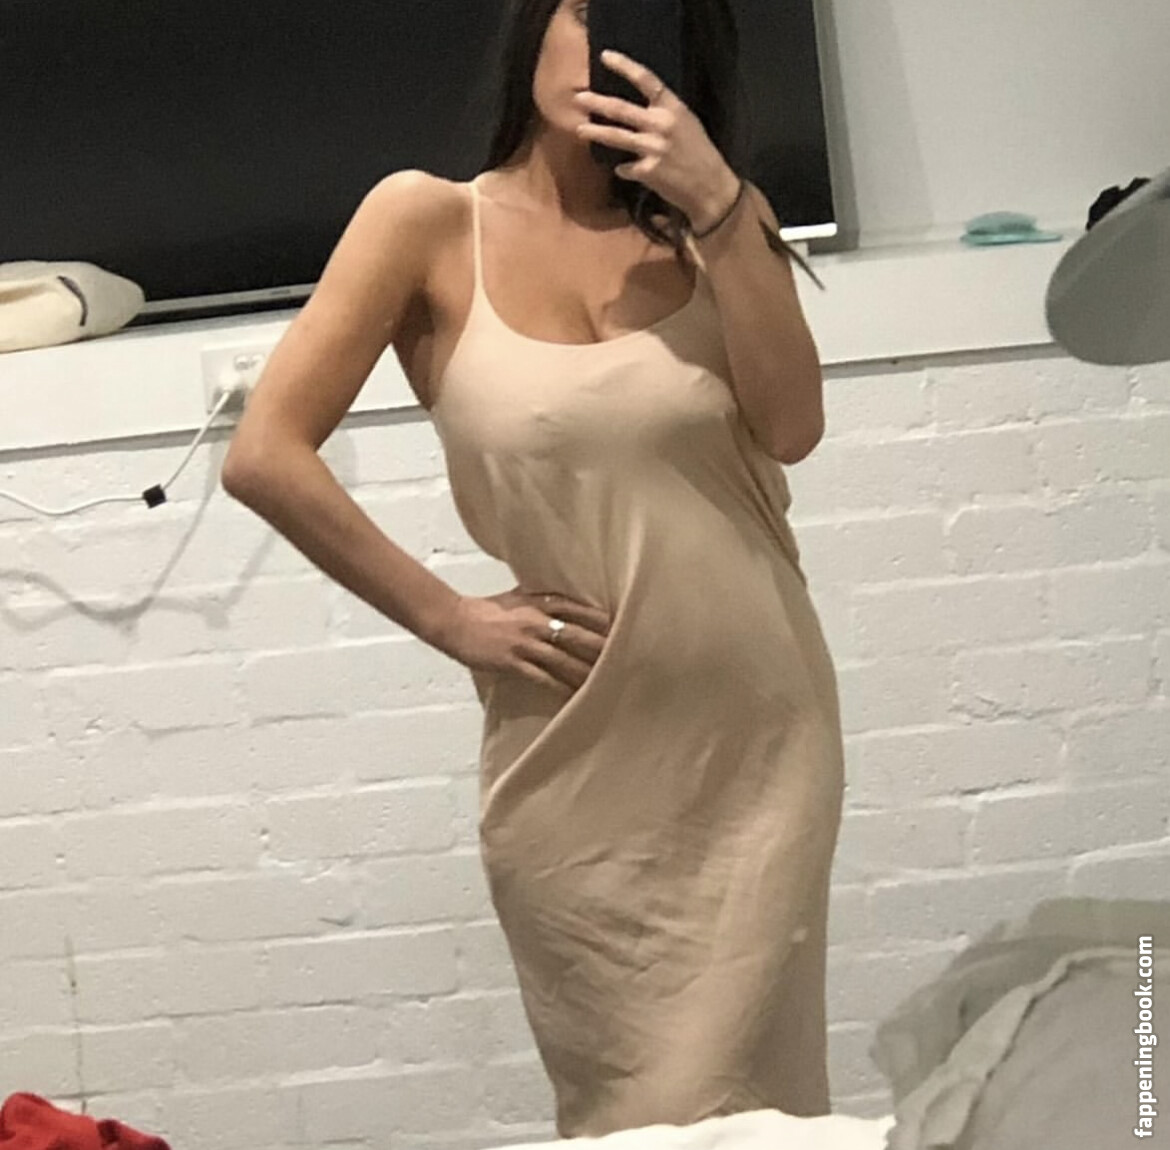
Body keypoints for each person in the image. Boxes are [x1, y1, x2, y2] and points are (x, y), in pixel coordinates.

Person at [222, 0, 842, 1138]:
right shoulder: (425, 222)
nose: (605, 46)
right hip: (573, 761)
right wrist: (450, 617)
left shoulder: (720, 225)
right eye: (583, 9)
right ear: (533, 26)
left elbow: (792, 427)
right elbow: (264, 454)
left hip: (759, 744)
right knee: (635, 1112)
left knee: (759, 1118)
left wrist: (718, 205)